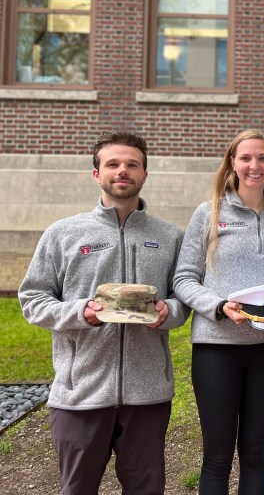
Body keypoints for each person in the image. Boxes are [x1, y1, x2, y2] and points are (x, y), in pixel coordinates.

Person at [18, 131, 187, 495]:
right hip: (80, 393)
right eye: (112, 164)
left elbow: (183, 298)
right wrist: (82, 313)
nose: (122, 171)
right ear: (96, 174)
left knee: (146, 489)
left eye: (132, 164)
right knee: (77, 489)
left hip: (148, 394)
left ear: (145, 173)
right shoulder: (63, 234)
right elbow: (32, 299)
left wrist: (166, 312)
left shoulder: (170, 237)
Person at [173, 129, 264, 495]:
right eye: (246, 158)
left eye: (262, 158)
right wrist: (219, 307)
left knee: (256, 454)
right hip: (216, 348)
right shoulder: (208, 213)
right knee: (218, 457)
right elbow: (183, 278)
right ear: (232, 164)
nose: (254, 165)